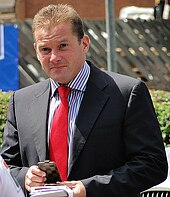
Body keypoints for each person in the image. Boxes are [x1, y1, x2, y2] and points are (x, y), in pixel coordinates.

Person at [0, 4, 168, 197]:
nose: (54, 57)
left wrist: (89, 188)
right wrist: (25, 177)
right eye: (45, 49)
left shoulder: (126, 93)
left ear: (84, 44)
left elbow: (152, 164)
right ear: (37, 52)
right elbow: (7, 167)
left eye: (63, 46)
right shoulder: (21, 101)